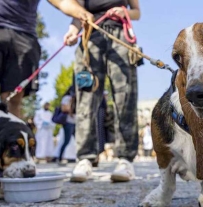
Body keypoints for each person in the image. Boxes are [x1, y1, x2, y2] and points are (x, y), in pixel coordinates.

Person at [0, 0, 93, 118]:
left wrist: (81, 13)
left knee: (14, 99)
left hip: (24, 37)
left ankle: (11, 151)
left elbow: (62, 1)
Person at [64, 0, 140, 183]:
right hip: (90, 36)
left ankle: (125, 160)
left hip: (119, 37)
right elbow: (77, 12)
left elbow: (137, 12)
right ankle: (85, 159)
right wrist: (73, 31)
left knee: (125, 96)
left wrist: (125, 13)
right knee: (85, 98)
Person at [58, 86, 76, 164]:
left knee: (77, 141)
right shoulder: (67, 98)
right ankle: (59, 157)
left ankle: (76, 156)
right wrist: (71, 108)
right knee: (66, 141)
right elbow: (64, 108)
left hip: (76, 121)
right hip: (68, 122)